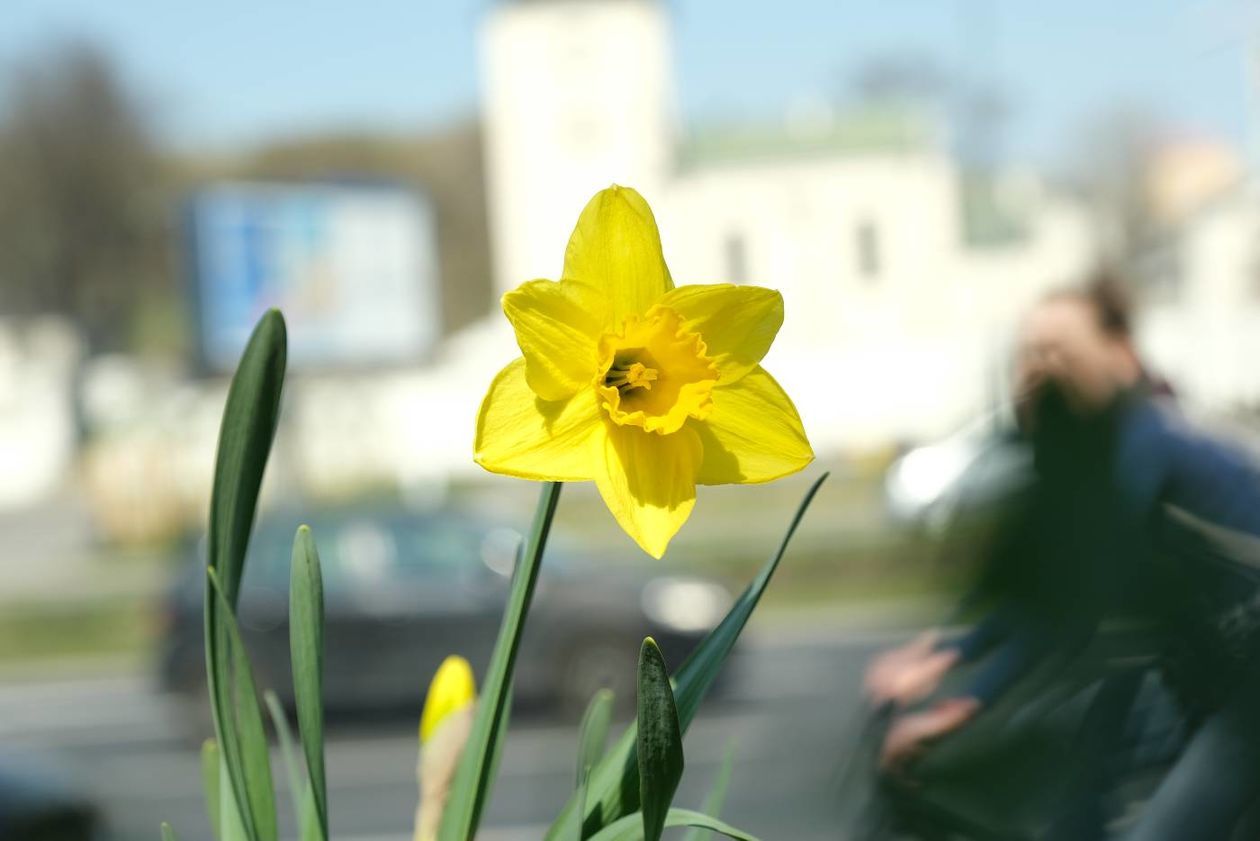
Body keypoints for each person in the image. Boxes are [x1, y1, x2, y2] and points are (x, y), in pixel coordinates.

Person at [865, 275, 1260, 839]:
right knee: (1080, 803)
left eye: (1062, 351)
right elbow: (1042, 580)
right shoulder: (1080, 450)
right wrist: (950, 649)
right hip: (1196, 672)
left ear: (1121, 356)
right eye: (1031, 352)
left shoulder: (1144, 447)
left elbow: (1082, 593)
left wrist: (968, 699)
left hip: (1247, 696)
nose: (1041, 367)